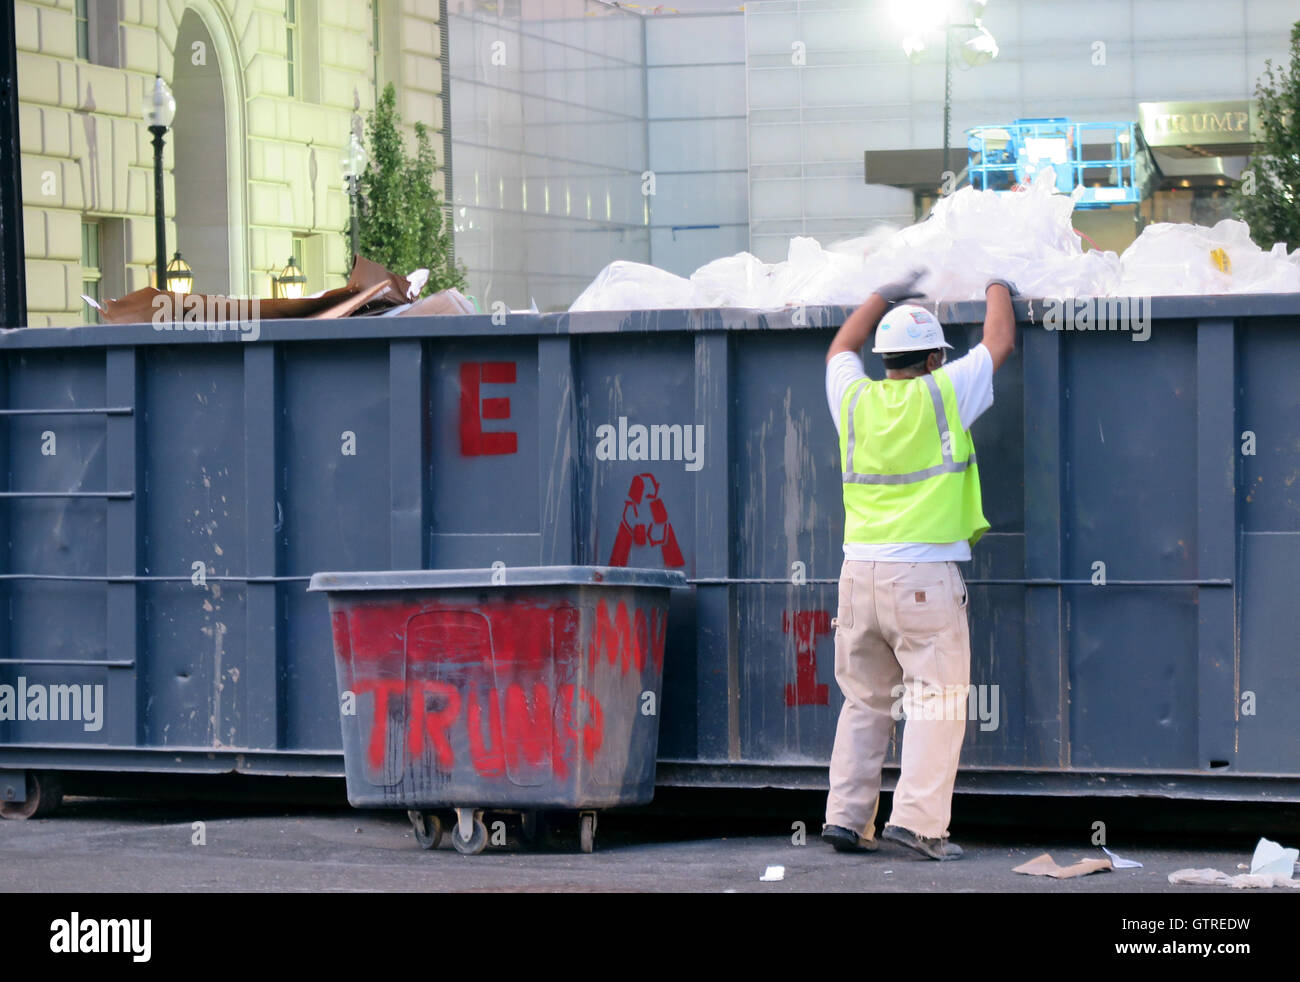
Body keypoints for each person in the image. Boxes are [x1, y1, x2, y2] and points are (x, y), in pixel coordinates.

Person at [820, 271, 1016, 861]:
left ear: (883, 359)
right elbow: (999, 341)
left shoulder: (852, 398)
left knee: (864, 701)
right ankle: (919, 824)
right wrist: (998, 281)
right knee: (936, 700)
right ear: (934, 358)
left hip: (857, 579)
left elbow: (838, 350)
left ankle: (846, 820)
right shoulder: (944, 390)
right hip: (922, 581)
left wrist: (885, 292)